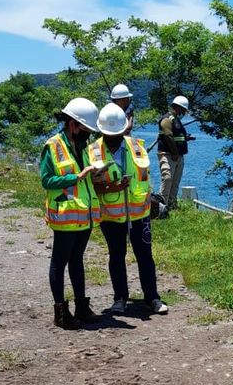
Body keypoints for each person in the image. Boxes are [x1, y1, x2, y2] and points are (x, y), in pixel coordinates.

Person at [88, 103, 168, 315]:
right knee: (116, 255)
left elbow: (145, 178)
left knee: (145, 256)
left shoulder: (137, 146)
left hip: (139, 213)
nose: (112, 137)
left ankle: (152, 297)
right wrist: (109, 187)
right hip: (111, 215)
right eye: (108, 133)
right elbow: (87, 186)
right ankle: (120, 298)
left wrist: (150, 200)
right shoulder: (92, 152)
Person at [40, 98, 102, 330]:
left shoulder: (82, 147)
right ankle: (61, 312)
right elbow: (47, 180)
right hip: (65, 215)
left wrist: (94, 175)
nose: (88, 135)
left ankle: (82, 307)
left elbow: (83, 176)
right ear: (73, 124)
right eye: (86, 130)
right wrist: (76, 177)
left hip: (83, 214)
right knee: (59, 262)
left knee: (77, 260)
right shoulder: (53, 146)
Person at [157, 95, 191, 209]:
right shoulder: (167, 119)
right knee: (167, 178)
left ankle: (171, 205)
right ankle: (161, 205)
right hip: (168, 154)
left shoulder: (176, 120)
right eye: (183, 110)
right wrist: (175, 152)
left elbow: (176, 136)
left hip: (178, 156)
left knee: (175, 181)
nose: (184, 113)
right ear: (177, 107)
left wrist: (186, 137)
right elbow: (168, 135)